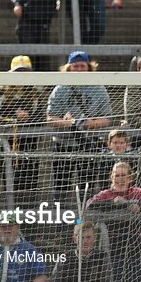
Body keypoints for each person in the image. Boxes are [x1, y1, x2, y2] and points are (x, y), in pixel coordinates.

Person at [46, 50, 111, 201]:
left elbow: (107, 119)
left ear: (89, 68)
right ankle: (60, 220)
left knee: (86, 186)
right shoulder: (60, 89)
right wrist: (67, 123)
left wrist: (91, 123)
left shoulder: (99, 89)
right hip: (63, 144)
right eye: (75, 66)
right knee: (61, 186)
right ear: (69, 68)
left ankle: (85, 222)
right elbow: (50, 118)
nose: (79, 70)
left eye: (82, 66)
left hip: (89, 143)